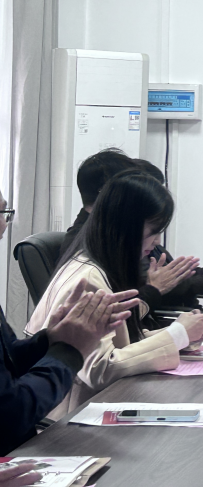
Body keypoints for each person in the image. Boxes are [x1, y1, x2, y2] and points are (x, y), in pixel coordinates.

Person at [26, 171, 203, 416]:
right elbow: (97, 369)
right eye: (154, 231)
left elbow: (122, 341)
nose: (157, 241)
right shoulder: (88, 280)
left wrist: (183, 333)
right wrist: (177, 335)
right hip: (74, 416)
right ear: (127, 228)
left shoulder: (99, 264)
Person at [0, 190, 140, 455]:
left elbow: (9, 361)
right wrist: (69, 352)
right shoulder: (88, 273)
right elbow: (10, 414)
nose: (4, 227)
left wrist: (50, 340)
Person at [62, 150, 203, 316]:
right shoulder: (90, 247)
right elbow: (123, 317)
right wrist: (202, 282)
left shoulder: (123, 237)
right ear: (109, 192)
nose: (157, 241)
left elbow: (162, 276)